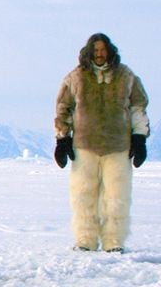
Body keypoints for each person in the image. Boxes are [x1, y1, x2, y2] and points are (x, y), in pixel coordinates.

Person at [54, 33, 150, 252]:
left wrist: (139, 137)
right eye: (96, 50)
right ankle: (85, 240)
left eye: (103, 50)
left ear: (110, 51)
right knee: (83, 195)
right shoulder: (75, 77)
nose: (99, 54)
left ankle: (114, 242)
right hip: (84, 145)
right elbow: (63, 108)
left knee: (117, 196)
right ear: (89, 52)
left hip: (118, 146)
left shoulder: (126, 77)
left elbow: (138, 107)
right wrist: (62, 139)